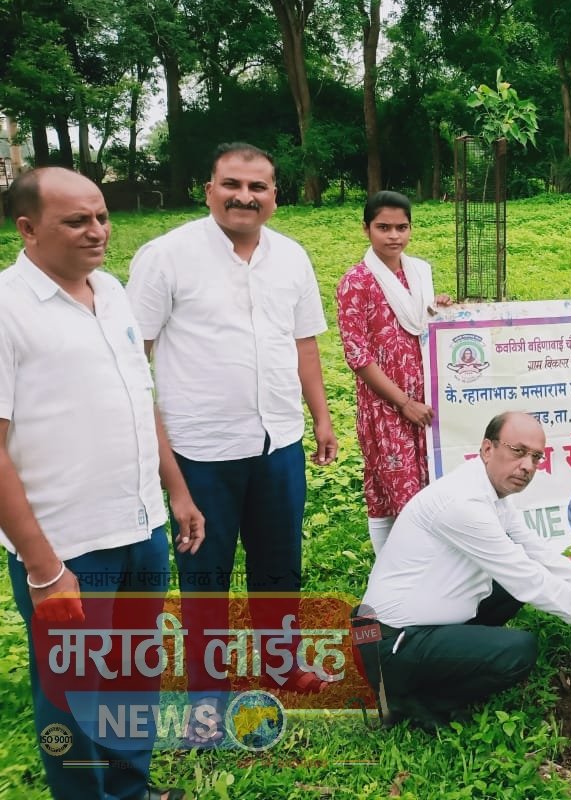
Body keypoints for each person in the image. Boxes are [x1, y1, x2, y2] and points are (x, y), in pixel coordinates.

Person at [0, 167, 203, 800]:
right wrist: (43, 567)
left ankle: (132, 791)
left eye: (102, 216)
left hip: (140, 528)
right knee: (73, 698)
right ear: (27, 229)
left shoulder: (112, 291)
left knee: (130, 682)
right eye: (77, 221)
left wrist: (175, 489)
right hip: (67, 549)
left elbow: (140, 400)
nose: (98, 232)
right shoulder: (6, 310)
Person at [127, 142, 337, 737]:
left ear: (275, 195)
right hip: (200, 452)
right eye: (232, 184)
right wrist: (164, 466)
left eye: (258, 187)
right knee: (205, 577)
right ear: (209, 187)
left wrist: (320, 418)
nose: (244, 196)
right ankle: (207, 698)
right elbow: (132, 360)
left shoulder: (292, 257)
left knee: (279, 565)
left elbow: (303, 343)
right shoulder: (165, 257)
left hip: (279, 444)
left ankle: (280, 662)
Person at [357, 411, 571, 729]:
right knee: (518, 650)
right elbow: (530, 581)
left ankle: (423, 680)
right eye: (518, 451)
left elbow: (539, 555)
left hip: (410, 624)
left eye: (536, 457)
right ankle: (409, 698)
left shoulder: (493, 493)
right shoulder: (464, 503)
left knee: (507, 589)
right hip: (387, 644)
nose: (528, 466)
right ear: (487, 449)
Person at [337, 191, 453, 554]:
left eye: (402, 227)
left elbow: (423, 323)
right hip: (386, 406)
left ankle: (411, 574)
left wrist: (441, 308)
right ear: (366, 229)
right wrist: (402, 403)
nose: (393, 236)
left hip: (425, 400)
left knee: (425, 485)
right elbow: (358, 356)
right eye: (383, 227)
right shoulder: (356, 282)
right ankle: (399, 572)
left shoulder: (418, 274)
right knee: (394, 490)